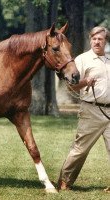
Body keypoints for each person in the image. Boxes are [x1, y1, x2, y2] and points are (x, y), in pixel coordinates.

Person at [58, 26, 110, 192]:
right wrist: (85, 82)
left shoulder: (109, 61)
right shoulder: (82, 59)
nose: (96, 42)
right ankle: (64, 182)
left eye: (100, 39)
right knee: (80, 150)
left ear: (105, 41)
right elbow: (71, 85)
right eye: (94, 39)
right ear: (90, 40)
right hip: (91, 111)